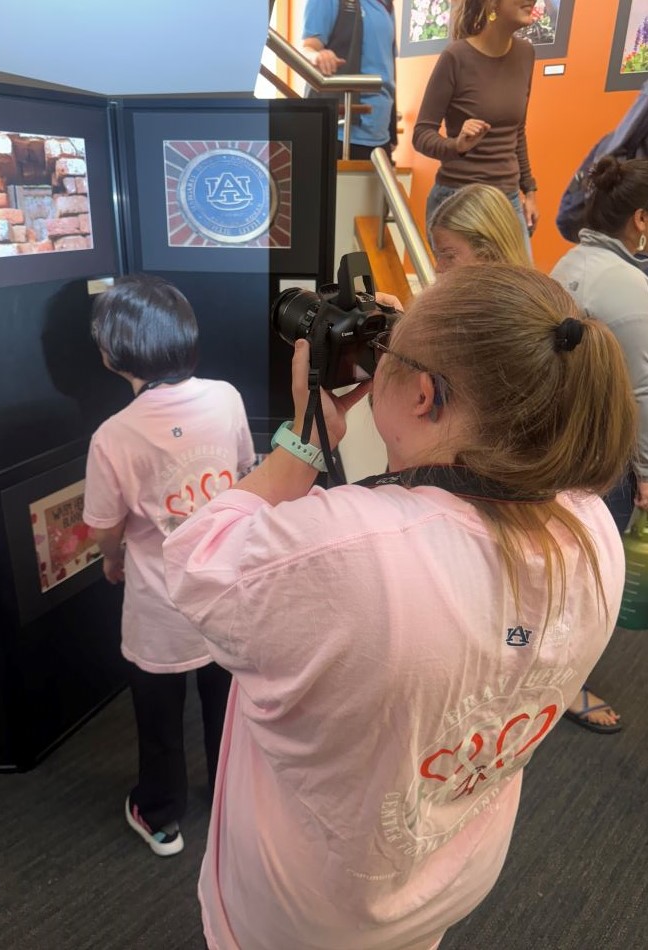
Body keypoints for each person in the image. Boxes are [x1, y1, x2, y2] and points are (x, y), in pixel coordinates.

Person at [163, 264, 635, 948]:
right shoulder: (592, 532)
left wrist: (303, 440)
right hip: (447, 874)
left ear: (423, 395)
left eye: (389, 352)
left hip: (307, 908)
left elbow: (194, 561)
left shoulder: (346, 551)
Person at [429, 183, 622, 734]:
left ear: (487, 252)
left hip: (515, 487)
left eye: (449, 256)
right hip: (491, 485)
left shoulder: (522, 324)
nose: (441, 269)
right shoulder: (486, 308)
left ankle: (554, 679)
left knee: (527, 599)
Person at [83, 275, 255, 857]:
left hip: (160, 604)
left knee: (158, 718)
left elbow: (105, 528)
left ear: (114, 353)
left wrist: (111, 563)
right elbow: (243, 471)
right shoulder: (228, 396)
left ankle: (160, 815)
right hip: (225, 593)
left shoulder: (114, 436)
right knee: (226, 706)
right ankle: (234, 798)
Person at [552, 155, 648, 718]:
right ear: (639, 218)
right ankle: (568, 689)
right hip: (602, 461)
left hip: (566, 448)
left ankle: (554, 678)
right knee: (590, 584)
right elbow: (642, 393)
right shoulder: (627, 287)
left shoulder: (571, 262)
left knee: (569, 576)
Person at [412, 0, 539, 242]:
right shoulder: (455, 57)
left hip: (507, 199)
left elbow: (517, 131)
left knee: (517, 279)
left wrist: (530, 191)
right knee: (469, 281)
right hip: (459, 198)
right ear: (493, 4)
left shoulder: (526, 53)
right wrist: (456, 146)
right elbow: (421, 134)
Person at [301, 0, 397, 159]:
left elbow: (389, 68)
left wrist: (392, 131)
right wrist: (318, 56)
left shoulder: (386, 4)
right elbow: (307, 49)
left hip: (380, 134)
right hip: (337, 131)